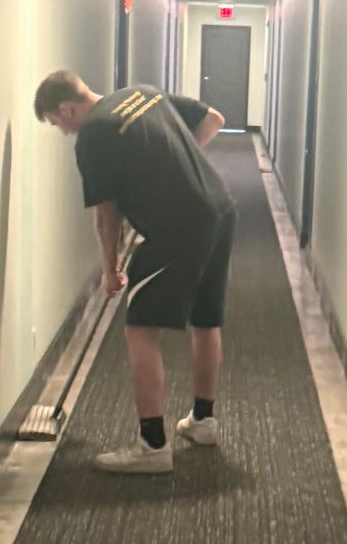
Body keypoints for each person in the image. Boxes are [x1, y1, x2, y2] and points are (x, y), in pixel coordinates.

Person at [34, 68, 234, 474]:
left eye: (57, 124)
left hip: (177, 229)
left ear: (68, 108)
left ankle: (152, 446)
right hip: (219, 208)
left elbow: (106, 215)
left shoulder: (94, 136)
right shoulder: (143, 93)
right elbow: (214, 119)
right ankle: (203, 421)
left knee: (140, 325)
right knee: (205, 318)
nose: (63, 132)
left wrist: (110, 270)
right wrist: (182, 169)